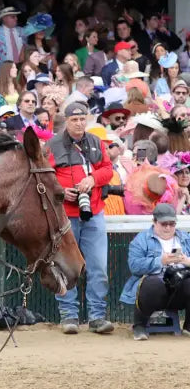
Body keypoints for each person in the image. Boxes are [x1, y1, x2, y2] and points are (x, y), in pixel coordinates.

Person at [46, 101, 115, 334]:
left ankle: (97, 317)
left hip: (93, 212)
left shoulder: (96, 142)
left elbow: (108, 170)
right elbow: (43, 178)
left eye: (82, 119)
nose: (78, 123)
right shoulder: (52, 145)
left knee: (98, 267)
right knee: (65, 266)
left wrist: (92, 179)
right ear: (66, 121)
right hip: (65, 215)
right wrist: (61, 191)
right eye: (74, 119)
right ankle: (69, 316)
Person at [120, 203, 190, 340]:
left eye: (172, 224)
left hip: (180, 285)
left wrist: (187, 261)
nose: (168, 227)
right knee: (151, 283)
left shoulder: (186, 238)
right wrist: (160, 261)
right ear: (154, 222)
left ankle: (189, 325)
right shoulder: (141, 240)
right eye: (164, 224)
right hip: (154, 288)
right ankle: (139, 325)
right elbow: (134, 266)